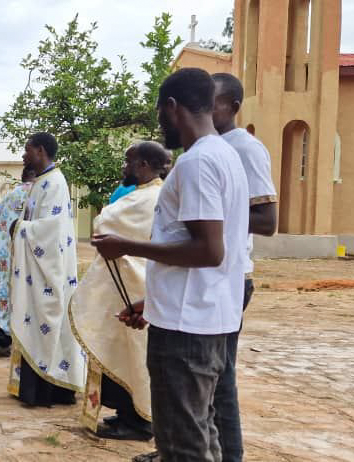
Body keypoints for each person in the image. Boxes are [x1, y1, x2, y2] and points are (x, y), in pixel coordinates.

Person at [92, 68, 250, 462]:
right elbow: (204, 252)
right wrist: (154, 303)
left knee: (183, 446)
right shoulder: (224, 156)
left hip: (186, 334)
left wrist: (127, 246)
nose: (160, 123)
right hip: (203, 318)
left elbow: (208, 250)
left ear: (173, 107)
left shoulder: (197, 164)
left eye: (160, 113)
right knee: (202, 434)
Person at [70, 141, 170, 441]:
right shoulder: (148, 195)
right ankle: (128, 413)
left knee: (133, 355)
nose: (124, 168)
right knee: (123, 353)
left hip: (134, 288)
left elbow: (103, 222)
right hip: (127, 286)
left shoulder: (149, 197)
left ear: (142, 165)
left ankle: (139, 422)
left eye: (128, 162)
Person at [211, 72, 279, 462]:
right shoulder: (211, 147)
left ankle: (230, 455)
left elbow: (267, 221)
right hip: (211, 274)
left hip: (234, 276)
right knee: (199, 376)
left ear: (234, 107)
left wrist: (208, 215)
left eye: (213, 102)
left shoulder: (245, 148)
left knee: (220, 376)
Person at [2, 132, 85, 407]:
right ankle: (35, 387)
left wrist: (19, 228)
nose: (24, 156)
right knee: (34, 321)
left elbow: (53, 231)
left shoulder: (55, 183)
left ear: (40, 150)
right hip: (35, 271)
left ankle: (47, 388)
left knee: (47, 321)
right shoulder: (41, 182)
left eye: (27, 150)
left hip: (47, 272)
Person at [0, 165, 39, 357]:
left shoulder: (10, 197)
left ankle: (2, 339)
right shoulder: (40, 195)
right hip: (28, 257)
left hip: (2, 257)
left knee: (2, 295)